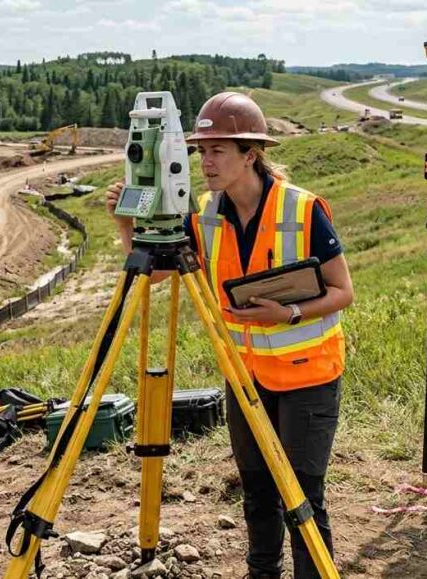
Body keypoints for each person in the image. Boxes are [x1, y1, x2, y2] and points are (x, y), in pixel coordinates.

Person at [107, 92, 354, 578]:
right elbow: (156, 274)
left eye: (219, 150)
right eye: (201, 150)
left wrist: (286, 313)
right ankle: (262, 573)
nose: (207, 161)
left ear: (251, 154)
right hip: (245, 378)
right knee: (256, 489)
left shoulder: (303, 210)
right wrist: (124, 222)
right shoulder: (203, 212)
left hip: (308, 377)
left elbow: (343, 292)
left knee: (301, 492)